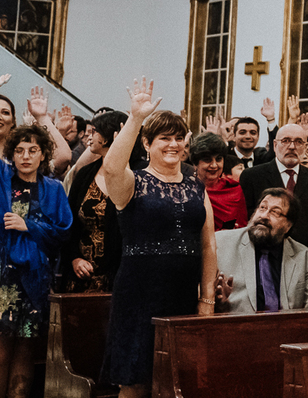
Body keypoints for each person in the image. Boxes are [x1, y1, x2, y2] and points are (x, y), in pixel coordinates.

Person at [100, 80, 216, 398]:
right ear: (147, 144)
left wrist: (206, 301)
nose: (173, 144)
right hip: (138, 295)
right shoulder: (133, 183)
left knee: (176, 381)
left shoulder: (196, 185)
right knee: (135, 383)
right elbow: (111, 168)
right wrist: (136, 119)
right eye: (165, 138)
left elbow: (208, 246)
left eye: (179, 138)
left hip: (182, 296)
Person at [0, 75, 72, 398]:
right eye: (21, 150)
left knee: (27, 353)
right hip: (0, 274)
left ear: (43, 155)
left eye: (34, 150)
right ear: (12, 155)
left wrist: (31, 226)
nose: (26, 156)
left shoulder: (53, 189)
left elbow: (63, 234)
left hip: (35, 276)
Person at [214, 188, 308, 312]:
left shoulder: (304, 257)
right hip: (236, 328)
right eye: (262, 208)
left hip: (286, 328)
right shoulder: (221, 243)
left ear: (288, 225)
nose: (264, 215)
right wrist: (219, 302)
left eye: (275, 212)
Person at [60, 110, 127, 292]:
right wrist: (74, 258)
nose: (89, 136)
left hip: (120, 278)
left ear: (108, 137)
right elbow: (69, 222)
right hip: (82, 275)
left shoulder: (136, 174)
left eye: (95, 131)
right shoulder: (85, 174)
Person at [239, 123, 308, 253]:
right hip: (260, 253)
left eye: (298, 142)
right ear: (275, 145)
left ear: (304, 146)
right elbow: (245, 219)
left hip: (304, 256)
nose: (292, 146)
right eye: (285, 141)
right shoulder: (252, 176)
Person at [191, 133, 247, 231]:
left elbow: (242, 230)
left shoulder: (235, 190)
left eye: (218, 159)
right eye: (207, 160)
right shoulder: (186, 190)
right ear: (195, 164)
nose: (214, 165)